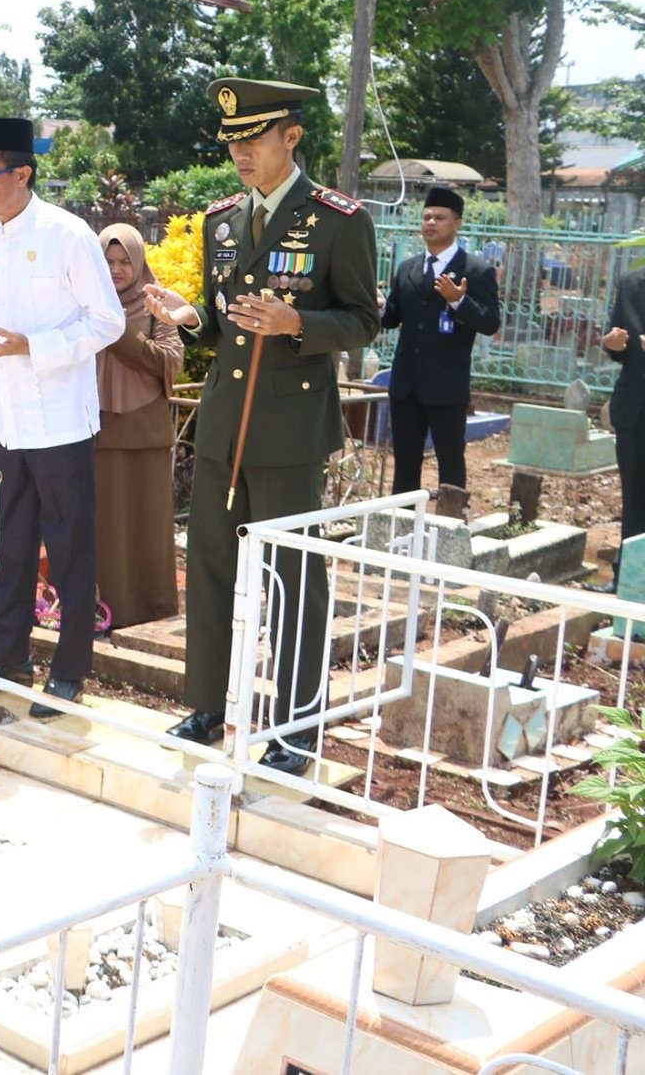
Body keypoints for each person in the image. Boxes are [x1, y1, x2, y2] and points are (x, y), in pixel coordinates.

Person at [143, 78, 379, 775]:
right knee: (211, 566)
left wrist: (298, 321)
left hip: (289, 430)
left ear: (291, 137)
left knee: (292, 578)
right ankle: (208, 703)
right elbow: (224, 321)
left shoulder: (338, 219)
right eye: (232, 142)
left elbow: (365, 318)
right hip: (222, 424)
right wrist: (190, 316)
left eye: (253, 139)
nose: (240, 153)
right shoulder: (222, 220)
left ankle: (298, 726)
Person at [0, 119, 124, 714]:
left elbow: (107, 322)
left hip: (59, 421)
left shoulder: (68, 234)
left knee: (70, 549)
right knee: (8, 546)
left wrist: (33, 346)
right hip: (5, 418)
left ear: (21, 173)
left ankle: (71, 671)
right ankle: (6, 659)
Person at [95, 223, 189, 629]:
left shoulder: (155, 303)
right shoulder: (86, 302)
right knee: (106, 527)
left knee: (146, 523)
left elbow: (170, 360)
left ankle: (151, 607)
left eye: (124, 262)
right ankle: (107, 608)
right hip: (95, 427)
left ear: (139, 263)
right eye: (108, 261)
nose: (116, 270)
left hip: (144, 429)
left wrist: (120, 331)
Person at [381, 186, 500, 494]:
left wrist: (459, 302)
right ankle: (401, 529)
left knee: (450, 463)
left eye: (440, 218)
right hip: (406, 386)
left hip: (446, 386)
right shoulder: (407, 268)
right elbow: (393, 317)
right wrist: (380, 305)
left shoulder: (475, 270)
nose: (431, 223)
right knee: (405, 463)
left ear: (457, 223)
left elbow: (490, 322)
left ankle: (449, 529)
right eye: (426, 217)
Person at [606, 271, 645, 585]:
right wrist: (613, 344)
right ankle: (627, 582)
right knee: (633, 497)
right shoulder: (632, 283)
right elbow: (616, 341)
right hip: (634, 409)